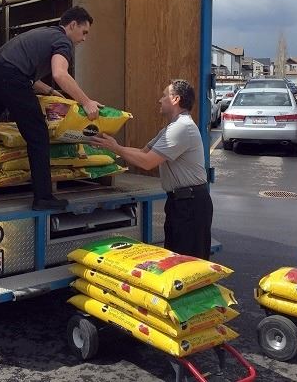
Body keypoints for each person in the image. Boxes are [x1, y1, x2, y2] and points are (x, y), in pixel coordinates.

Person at [0, 6, 102, 211]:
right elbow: (60, 74)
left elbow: (23, 70)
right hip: (9, 78)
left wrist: (48, 91)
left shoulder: (44, 34)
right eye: (84, 32)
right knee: (38, 134)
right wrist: (86, 101)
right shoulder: (63, 41)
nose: (84, 39)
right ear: (72, 25)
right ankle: (43, 197)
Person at [88, 79, 213, 259]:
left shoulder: (181, 128)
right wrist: (110, 145)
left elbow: (147, 162)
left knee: (189, 264)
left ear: (175, 99)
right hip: (180, 203)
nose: (159, 100)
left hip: (190, 205)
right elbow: (142, 152)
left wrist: (116, 148)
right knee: (175, 259)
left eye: (164, 96)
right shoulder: (170, 129)